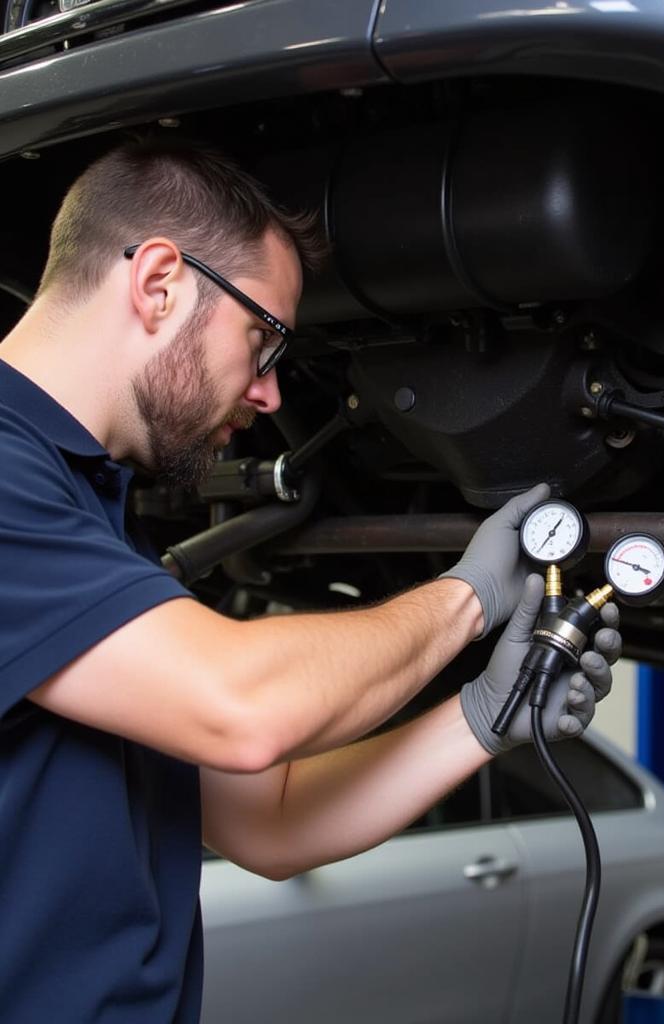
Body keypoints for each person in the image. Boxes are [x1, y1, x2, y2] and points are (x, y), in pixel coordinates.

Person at [0, 140, 621, 1022]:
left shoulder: (90, 516)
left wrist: (482, 717)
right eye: (262, 339)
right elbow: (244, 707)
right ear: (159, 283)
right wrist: (468, 597)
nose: (268, 393)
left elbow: (270, 822)